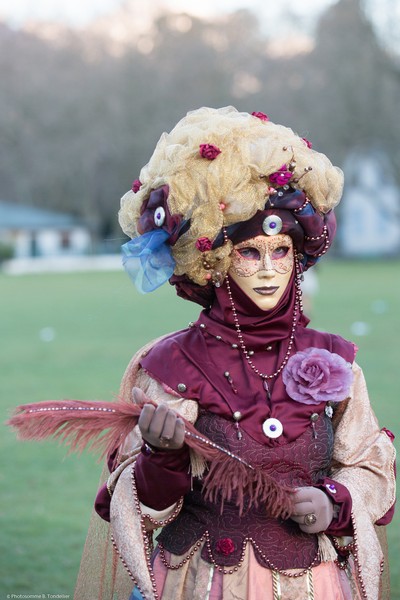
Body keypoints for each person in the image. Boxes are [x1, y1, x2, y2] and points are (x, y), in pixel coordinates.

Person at [10, 107, 395, 600]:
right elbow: (142, 503)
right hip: (198, 582)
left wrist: (333, 501)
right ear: (211, 261)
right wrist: (162, 455)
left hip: (310, 585)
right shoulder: (173, 365)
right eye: (249, 252)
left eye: (281, 252)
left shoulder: (336, 361)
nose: (268, 269)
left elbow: (367, 464)